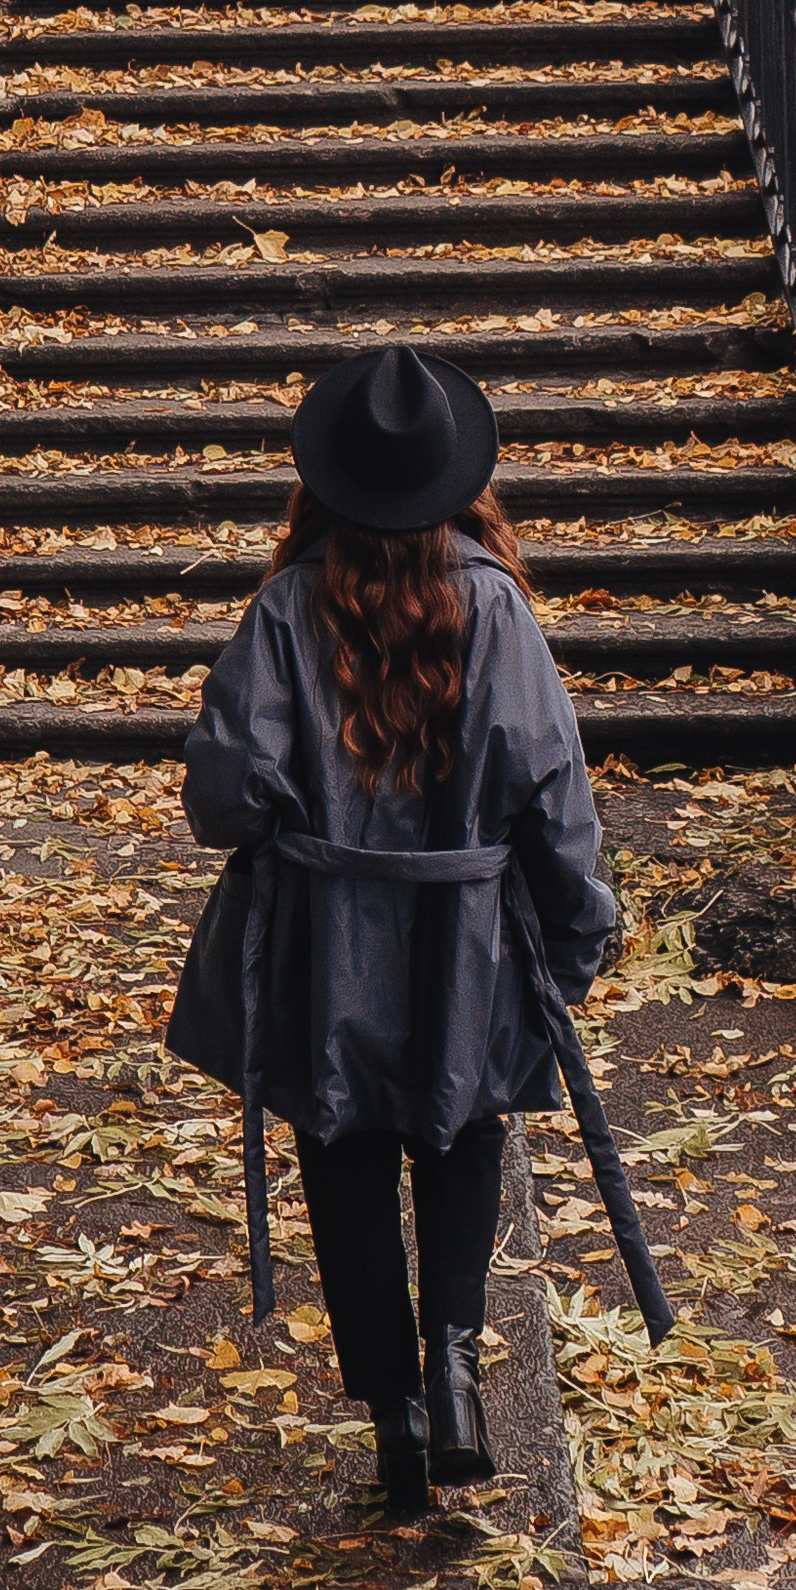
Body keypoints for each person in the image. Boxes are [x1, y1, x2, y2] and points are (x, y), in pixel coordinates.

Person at [167, 342, 623, 1519]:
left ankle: (394, 1419)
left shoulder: (283, 611)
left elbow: (222, 795)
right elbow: (550, 786)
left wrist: (299, 817)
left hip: (331, 946)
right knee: (465, 1131)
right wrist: (577, 936)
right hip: (466, 941)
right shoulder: (495, 610)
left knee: (345, 1149)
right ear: (455, 485)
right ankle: (456, 1368)